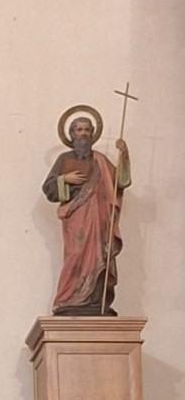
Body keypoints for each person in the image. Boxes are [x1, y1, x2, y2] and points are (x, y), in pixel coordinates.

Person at [42, 114, 130, 316]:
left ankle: (94, 300)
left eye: (87, 130)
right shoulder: (64, 159)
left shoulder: (100, 161)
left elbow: (120, 182)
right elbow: (48, 188)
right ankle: (69, 298)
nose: (83, 134)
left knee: (99, 256)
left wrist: (124, 156)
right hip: (76, 216)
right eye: (79, 130)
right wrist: (64, 179)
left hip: (99, 218)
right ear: (72, 134)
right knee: (75, 255)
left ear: (92, 134)